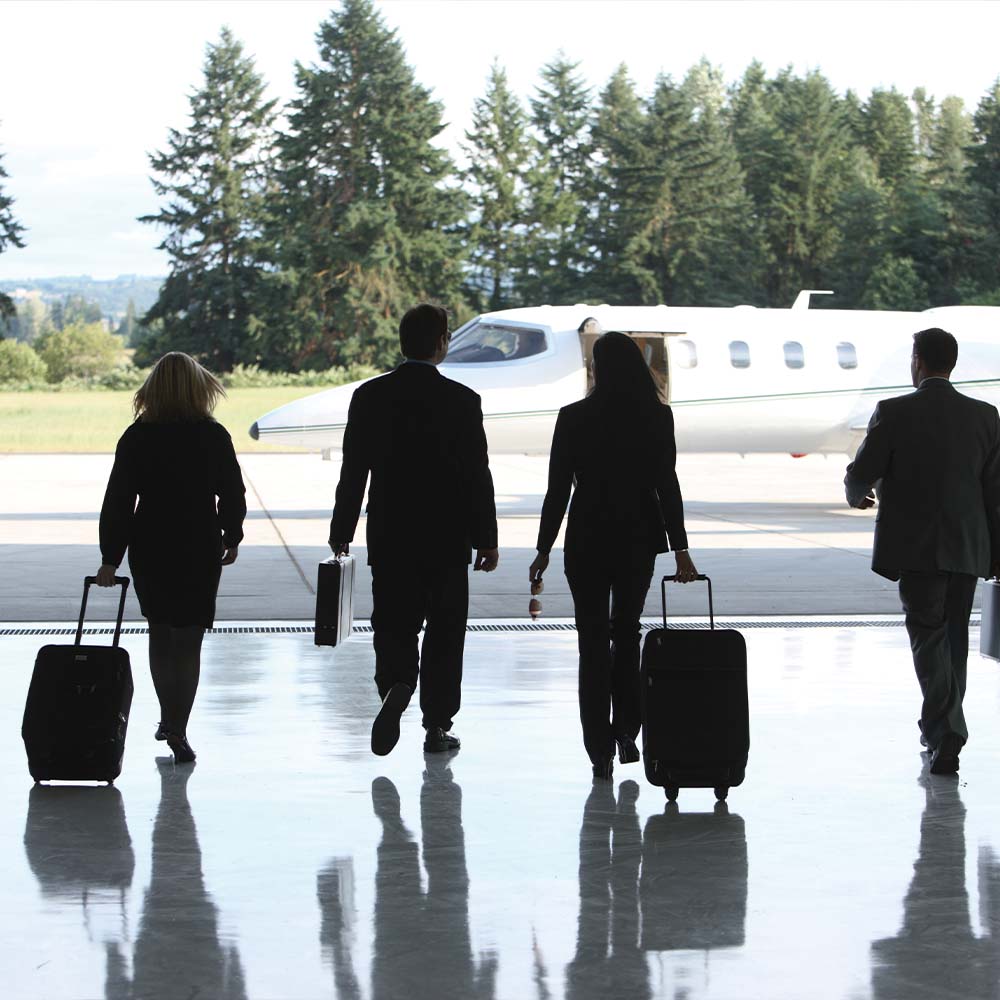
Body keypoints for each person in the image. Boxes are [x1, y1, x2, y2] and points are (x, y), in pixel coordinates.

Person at [329, 303, 499, 757]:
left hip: (391, 532)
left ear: (403, 342)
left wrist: (342, 529)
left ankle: (397, 683)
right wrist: (487, 538)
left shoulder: (370, 396)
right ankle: (437, 725)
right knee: (445, 631)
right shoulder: (463, 401)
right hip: (448, 536)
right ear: (441, 343)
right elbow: (477, 476)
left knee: (393, 622)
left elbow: (353, 471)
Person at [529, 330, 697, 780]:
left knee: (591, 642)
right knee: (626, 634)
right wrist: (680, 548)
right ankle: (627, 730)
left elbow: (558, 490)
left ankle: (598, 749)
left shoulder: (573, 417)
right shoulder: (657, 416)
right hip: (638, 538)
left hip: (587, 538)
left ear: (597, 368)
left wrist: (543, 549)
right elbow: (667, 485)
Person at [845, 327, 1000, 775]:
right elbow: (995, 492)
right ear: (952, 362)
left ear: (917, 360)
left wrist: (856, 493)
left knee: (928, 635)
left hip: (916, 548)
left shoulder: (894, 411)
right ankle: (940, 727)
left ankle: (946, 732)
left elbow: (864, 470)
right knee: (953, 639)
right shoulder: (985, 416)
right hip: (968, 546)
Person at [97, 352, 246, 764]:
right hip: (199, 542)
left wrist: (110, 557)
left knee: (161, 634)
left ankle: (168, 716)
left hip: (151, 544)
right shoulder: (213, 435)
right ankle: (178, 725)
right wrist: (231, 534)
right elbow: (232, 491)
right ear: (200, 388)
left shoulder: (137, 437)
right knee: (189, 640)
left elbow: (119, 500)